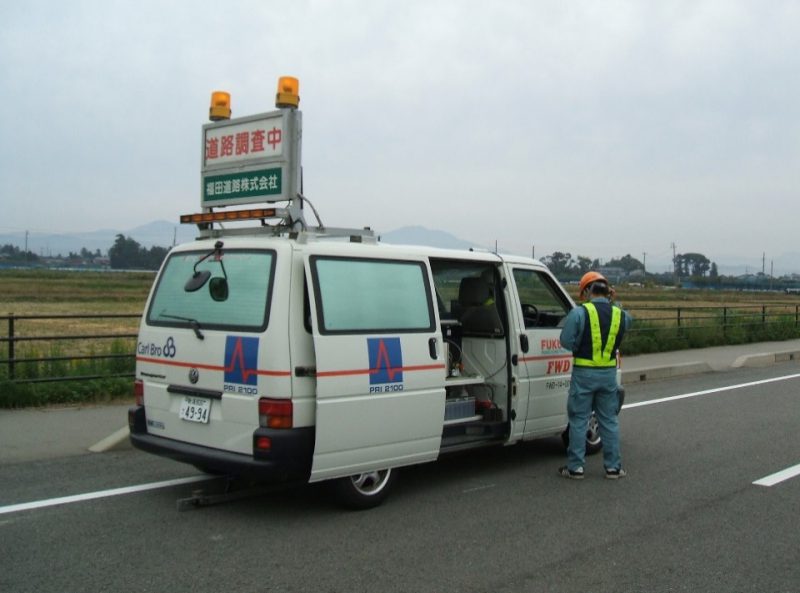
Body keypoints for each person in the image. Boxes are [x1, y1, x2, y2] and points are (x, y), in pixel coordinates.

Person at [558, 271, 632, 480]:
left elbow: (565, 340)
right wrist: (614, 302)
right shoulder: (619, 313)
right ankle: (613, 468)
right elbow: (629, 322)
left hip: (584, 374)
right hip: (608, 375)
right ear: (609, 292)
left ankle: (575, 468)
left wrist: (579, 347)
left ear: (586, 291)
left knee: (579, 419)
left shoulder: (580, 313)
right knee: (608, 420)